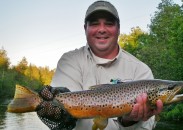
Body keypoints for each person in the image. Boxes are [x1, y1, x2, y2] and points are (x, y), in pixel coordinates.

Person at [37, 1, 163, 130]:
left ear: (118, 29)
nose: (102, 29)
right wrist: (57, 111)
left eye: (109, 24)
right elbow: (64, 108)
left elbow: (147, 126)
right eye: (94, 23)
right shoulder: (70, 60)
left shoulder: (141, 70)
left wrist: (129, 121)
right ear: (85, 28)